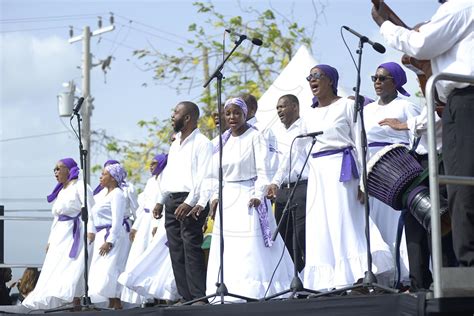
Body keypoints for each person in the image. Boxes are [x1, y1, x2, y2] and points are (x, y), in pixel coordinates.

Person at [372, 0, 474, 267]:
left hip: (465, 103)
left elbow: (420, 44)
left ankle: (469, 265)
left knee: (462, 187)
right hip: (458, 105)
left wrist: (386, 26)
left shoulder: (461, 5)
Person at [302, 64, 393, 291]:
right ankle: (329, 281)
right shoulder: (308, 114)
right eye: (309, 77)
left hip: (343, 170)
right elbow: (302, 149)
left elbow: (361, 144)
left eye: (316, 76)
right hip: (317, 173)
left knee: (346, 221)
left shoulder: (348, 106)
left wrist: (364, 180)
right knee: (321, 226)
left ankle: (359, 276)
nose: (311, 80)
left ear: (330, 80)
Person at [200, 97, 293, 301]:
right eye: (228, 113)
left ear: (245, 114)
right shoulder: (221, 143)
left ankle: (255, 290)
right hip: (228, 199)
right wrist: (214, 198)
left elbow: (263, 170)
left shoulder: (255, 136)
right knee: (229, 248)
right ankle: (230, 291)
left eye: (236, 113)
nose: (232, 117)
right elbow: (213, 175)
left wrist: (258, 194)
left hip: (250, 195)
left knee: (251, 247)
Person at [364, 62, 422, 285]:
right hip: (372, 172)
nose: (377, 82)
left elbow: (418, 141)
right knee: (376, 225)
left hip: (398, 172)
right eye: (375, 78)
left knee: (396, 223)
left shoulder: (406, 106)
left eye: (382, 78)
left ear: (395, 81)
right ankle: (384, 276)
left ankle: (405, 275)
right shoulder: (367, 110)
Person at [152, 101, 212, 304]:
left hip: (190, 201)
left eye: (176, 112)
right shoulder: (175, 143)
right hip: (172, 200)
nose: (172, 115)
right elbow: (170, 175)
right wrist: (161, 200)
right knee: (176, 250)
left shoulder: (202, 143)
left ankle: (199, 297)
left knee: (191, 248)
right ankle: (185, 296)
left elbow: (203, 176)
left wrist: (189, 202)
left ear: (187, 118)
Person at [23, 158, 94, 310]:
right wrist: (50, 240)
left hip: (74, 232)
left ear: (69, 170)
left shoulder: (80, 186)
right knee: (55, 266)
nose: (55, 172)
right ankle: (60, 301)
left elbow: (90, 209)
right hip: (60, 234)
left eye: (59, 168)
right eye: (54, 169)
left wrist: (91, 230)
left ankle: (75, 302)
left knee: (72, 266)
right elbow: (56, 218)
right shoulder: (62, 190)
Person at [267, 94, 309, 272]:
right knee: (284, 236)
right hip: (282, 190)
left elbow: (291, 158)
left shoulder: (305, 126)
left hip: (301, 186)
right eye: (277, 108)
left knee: (302, 235)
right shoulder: (275, 133)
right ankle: (296, 277)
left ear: (295, 107)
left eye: (283, 106)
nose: (279, 111)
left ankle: (311, 277)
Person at [120, 153, 168, 305]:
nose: (150, 166)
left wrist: (157, 226)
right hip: (145, 223)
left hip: (158, 221)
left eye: (154, 163)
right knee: (140, 256)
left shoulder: (166, 180)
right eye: (150, 163)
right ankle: (146, 296)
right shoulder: (150, 182)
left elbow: (165, 205)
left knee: (155, 258)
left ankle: (160, 294)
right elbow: (143, 207)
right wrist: (135, 226)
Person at [88, 163, 130, 309]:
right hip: (101, 235)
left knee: (111, 270)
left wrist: (110, 241)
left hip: (113, 237)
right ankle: (110, 305)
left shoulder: (117, 194)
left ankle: (117, 304)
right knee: (101, 272)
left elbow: (117, 221)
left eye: (104, 174)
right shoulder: (103, 195)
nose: (100, 177)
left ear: (113, 178)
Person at [241, 93, 280, 180]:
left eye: (242, 107)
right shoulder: (233, 133)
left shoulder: (262, 130)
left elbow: (271, 160)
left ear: (252, 109)